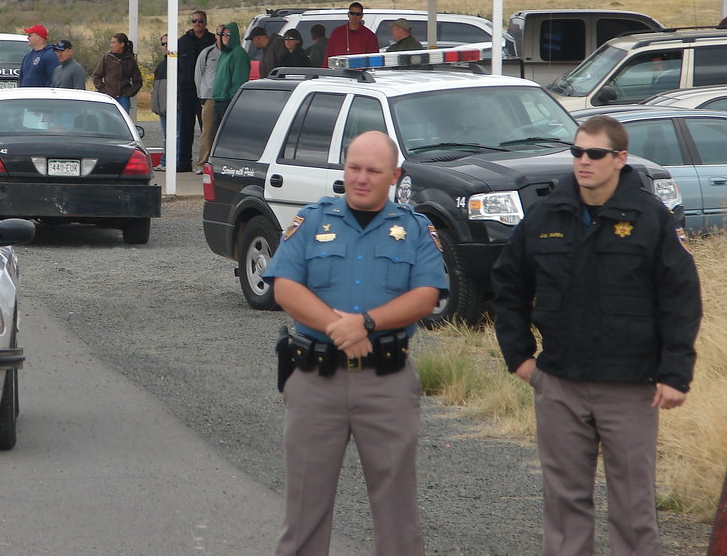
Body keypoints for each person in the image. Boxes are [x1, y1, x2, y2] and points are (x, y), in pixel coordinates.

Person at [492, 114, 702, 556]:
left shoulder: (649, 218)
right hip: (560, 384)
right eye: (576, 152)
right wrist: (520, 358)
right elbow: (507, 286)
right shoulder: (547, 214)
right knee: (565, 510)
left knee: (633, 509)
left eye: (595, 154)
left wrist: (675, 372)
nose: (583, 161)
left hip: (630, 387)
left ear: (620, 158)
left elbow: (680, 298)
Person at [265, 131, 447, 556]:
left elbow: (427, 295)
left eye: (373, 171)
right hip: (315, 381)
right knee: (303, 514)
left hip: (386, 384)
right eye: (353, 168)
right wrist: (336, 326)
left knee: (397, 514)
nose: (361, 179)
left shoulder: (415, 229)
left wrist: (366, 323)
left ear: (394, 176)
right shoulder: (312, 221)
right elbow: (284, 288)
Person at [175, 12, 215, 172]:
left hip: (205, 91)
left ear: (205, 22)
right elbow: (175, 65)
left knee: (207, 127)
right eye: (194, 21)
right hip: (186, 90)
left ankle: (207, 161)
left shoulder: (212, 41)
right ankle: (184, 162)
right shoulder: (182, 42)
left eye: (200, 21)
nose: (197, 23)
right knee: (185, 127)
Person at [193, 26, 224, 173]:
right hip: (210, 98)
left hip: (227, 97)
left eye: (226, 34)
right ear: (216, 35)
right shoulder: (207, 53)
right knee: (208, 131)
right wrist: (202, 95)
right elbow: (198, 74)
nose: (223, 37)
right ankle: (202, 164)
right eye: (220, 34)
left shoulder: (233, 54)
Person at [211, 22, 249, 134]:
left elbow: (239, 79)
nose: (225, 37)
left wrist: (231, 97)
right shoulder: (225, 53)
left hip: (228, 101)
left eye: (228, 34)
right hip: (218, 99)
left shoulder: (238, 53)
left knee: (227, 134)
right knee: (217, 135)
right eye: (223, 34)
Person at [92, 32, 142, 114]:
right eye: (111, 42)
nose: (111, 45)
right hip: (108, 96)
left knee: (122, 121)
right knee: (106, 120)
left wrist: (128, 93)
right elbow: (96, 76)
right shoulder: (107, 58)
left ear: (121, 44)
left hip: (123, 98)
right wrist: (103, 90)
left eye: (114, 42)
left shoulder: (130, 60)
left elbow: (138, 80)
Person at [150, 34, 169, 171]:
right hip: (162, 107)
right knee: (166, 135)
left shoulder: (179, 64)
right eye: (163, 44)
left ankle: (170, 161)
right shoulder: (161, 66)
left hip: (176, 108)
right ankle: (165, 161)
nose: (165, 46)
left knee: (175, 135)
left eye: (168, 43)